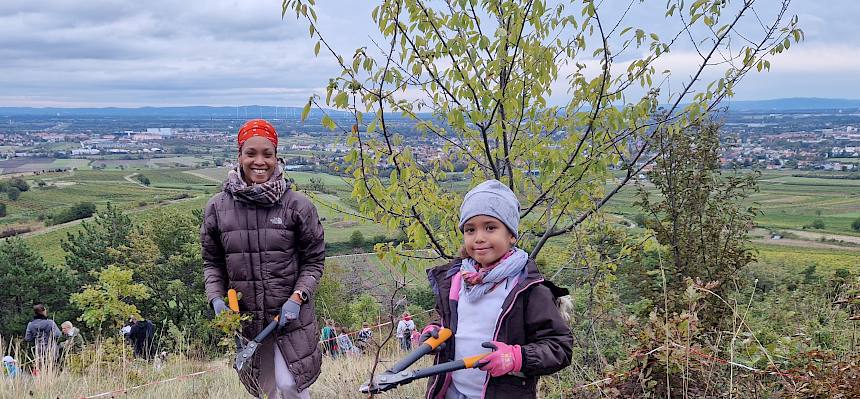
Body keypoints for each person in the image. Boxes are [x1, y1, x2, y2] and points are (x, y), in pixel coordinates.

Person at [202, 119, 325, 399]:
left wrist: (298, 297)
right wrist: (217, 298)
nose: (260, 161)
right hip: (247, 319)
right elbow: (212, 263)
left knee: (290, 384)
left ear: (276, 157)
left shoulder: (297, 206)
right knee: (265, 390)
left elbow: (314, 261)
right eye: (251, 153)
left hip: (289, 316)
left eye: (267, 154)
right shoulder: (218, 208)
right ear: (239, 156)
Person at [421, 180, 573, 399]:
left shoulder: (528, 288)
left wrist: (516, 358)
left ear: (511, 235)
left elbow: (560, 347)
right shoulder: (457, 280)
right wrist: (435, 332)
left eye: (490, 227)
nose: (479, 237)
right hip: (452, 393)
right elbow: (451, 323)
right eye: (470, 229)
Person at [24, 304, 61, 369]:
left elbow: (28, 338)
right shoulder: (50, 323)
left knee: (41, 369)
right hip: (51, 350)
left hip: (39, 350)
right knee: (52, 368)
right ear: (43, 311)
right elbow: (58, 334)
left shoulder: (31, 324)